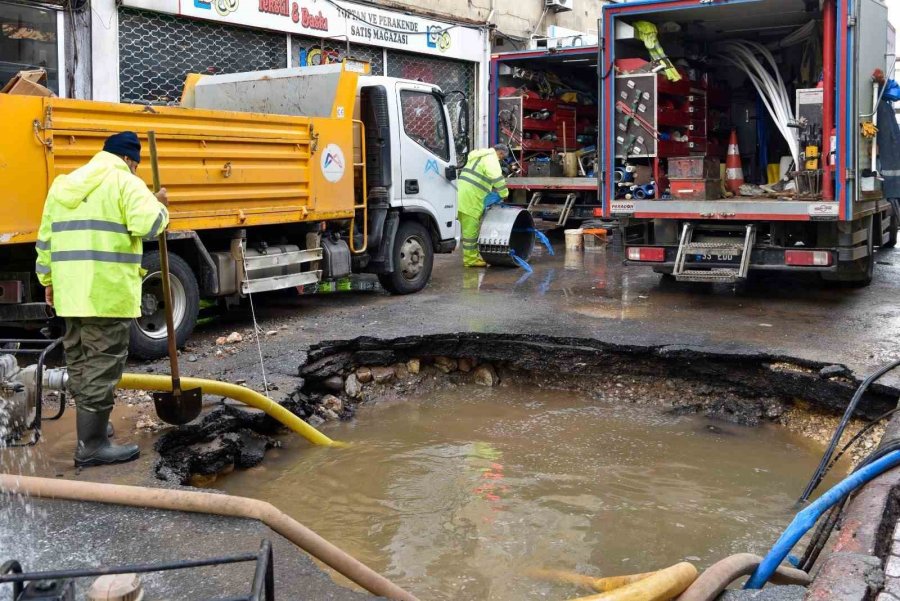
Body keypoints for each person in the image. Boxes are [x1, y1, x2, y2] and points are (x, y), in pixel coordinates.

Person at [35, 131, 169, 468]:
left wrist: (48, 281)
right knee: (102, 367)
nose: (136, 169)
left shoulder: (64, 184)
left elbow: (45, 240)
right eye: (135, 165)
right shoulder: (125, 182)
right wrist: (160, 205)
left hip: (69, 294)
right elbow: (148, 226)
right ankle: (92, 446)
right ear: (129, 159)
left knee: (80, 362)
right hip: (106, 295)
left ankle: (90, 429)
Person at [457, 144, 510, 268]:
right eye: (502, 158)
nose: (501, 160)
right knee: (470, 232)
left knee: (466, 229)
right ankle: (470, 260)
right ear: (500, 153)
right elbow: (497, 178)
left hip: (461, 195)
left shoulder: (479, 156)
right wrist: (504, 193)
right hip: (471, 198)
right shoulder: (491, 159)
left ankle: (472, 256)